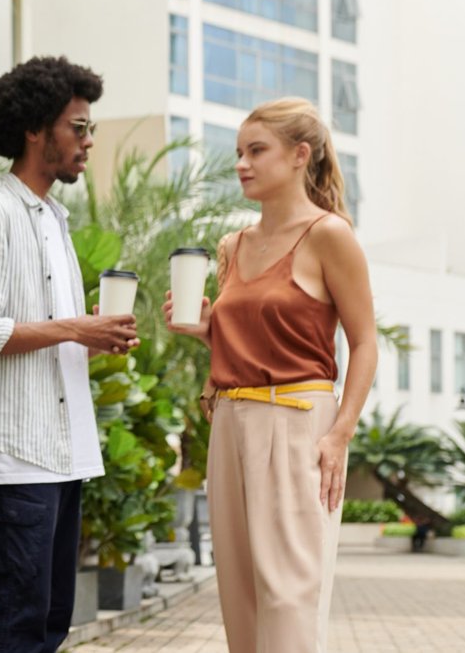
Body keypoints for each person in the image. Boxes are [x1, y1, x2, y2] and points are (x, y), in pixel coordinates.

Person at [164, 98, 377, 653]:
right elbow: (254, 338)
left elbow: (364, 342)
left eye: (256, 150)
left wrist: (340, 433)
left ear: (300, 155)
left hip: (298, 421)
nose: (241, 163)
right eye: (238, 152)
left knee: (288, 596)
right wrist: (210, 329)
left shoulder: (329, 235)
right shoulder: (232, 247)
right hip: (230, 420)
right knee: (241, 595)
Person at [0, 56, 139, 653]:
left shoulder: (54, 219)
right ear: (35, 130)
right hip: (17, 448)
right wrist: (74, 329)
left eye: (89, 129)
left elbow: (50, 332)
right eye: (77, 127)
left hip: (63, 449)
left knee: (52, 617)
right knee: (17, 614)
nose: (87, 141)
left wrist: (93, 336)